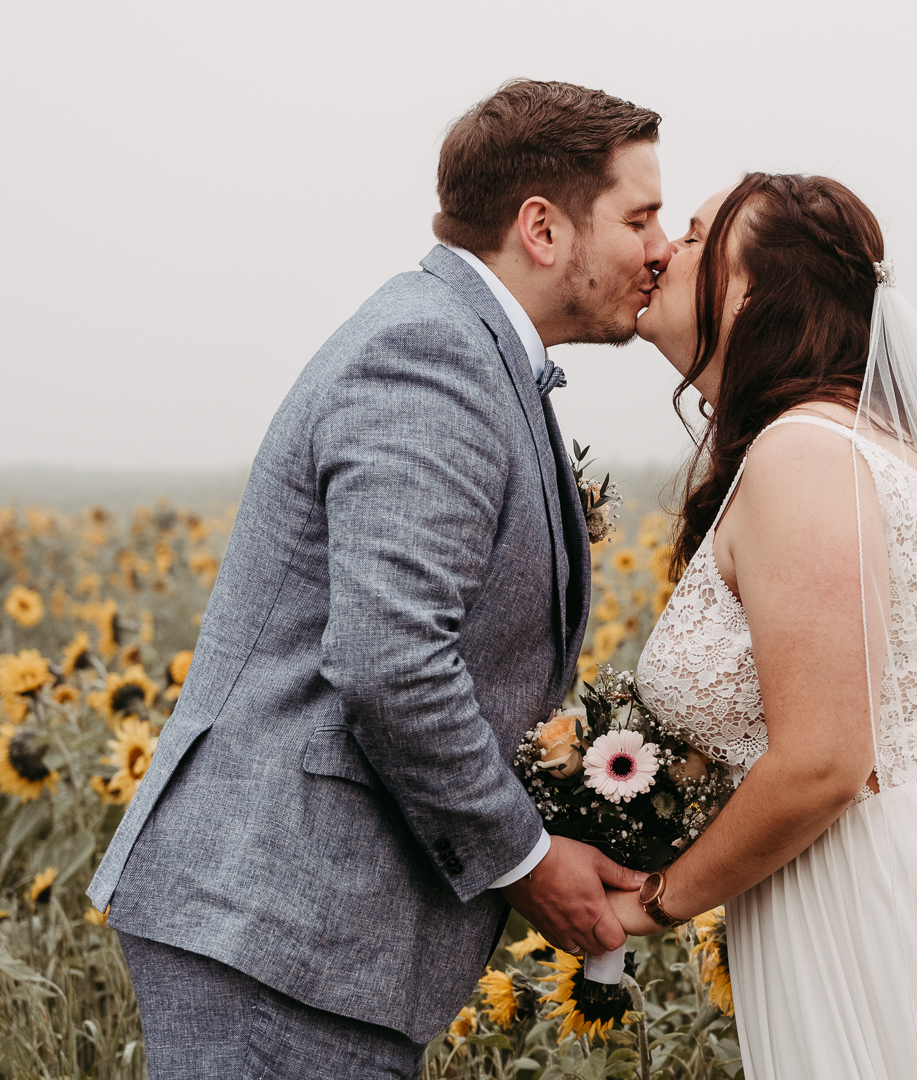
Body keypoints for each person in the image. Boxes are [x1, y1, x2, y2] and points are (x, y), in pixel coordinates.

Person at [85, 80, 670, 1079]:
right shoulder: (430, 356)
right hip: (279, 932)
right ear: (541, 228)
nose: (659, 248)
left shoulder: (472, 349)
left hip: (306, 935)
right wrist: (525, 860)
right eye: (640, 217)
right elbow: (391, 659)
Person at [614, 173, 917, 1077]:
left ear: (751, 289)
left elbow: (823, 759)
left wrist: (652, 901)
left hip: (885, 890)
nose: (662, 252)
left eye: (692, 236)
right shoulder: (864, 442)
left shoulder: (804, 454)